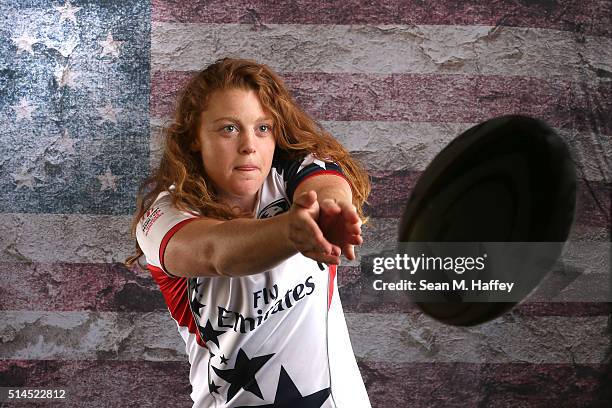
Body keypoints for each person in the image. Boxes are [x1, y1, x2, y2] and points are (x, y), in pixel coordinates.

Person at [125, 57, 372, 407]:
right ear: (194, 136)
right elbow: (217, 253)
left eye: (263, 128)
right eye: (228, 128)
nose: (249, 145)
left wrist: (329, 210)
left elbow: (327, 184)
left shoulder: (291, 174)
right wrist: (292, 232)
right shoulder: (164, 215)